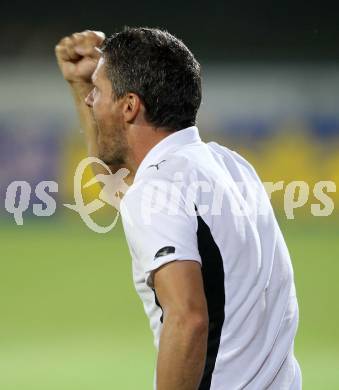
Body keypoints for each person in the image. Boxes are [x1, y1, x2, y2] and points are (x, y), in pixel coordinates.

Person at [55, 27, 301, 390]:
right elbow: (118, 181)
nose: (91, 101)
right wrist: (81, 86)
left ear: (129, 106)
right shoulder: (230, 165)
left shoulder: (159, 188)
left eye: (98, 92)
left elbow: (187, 319)